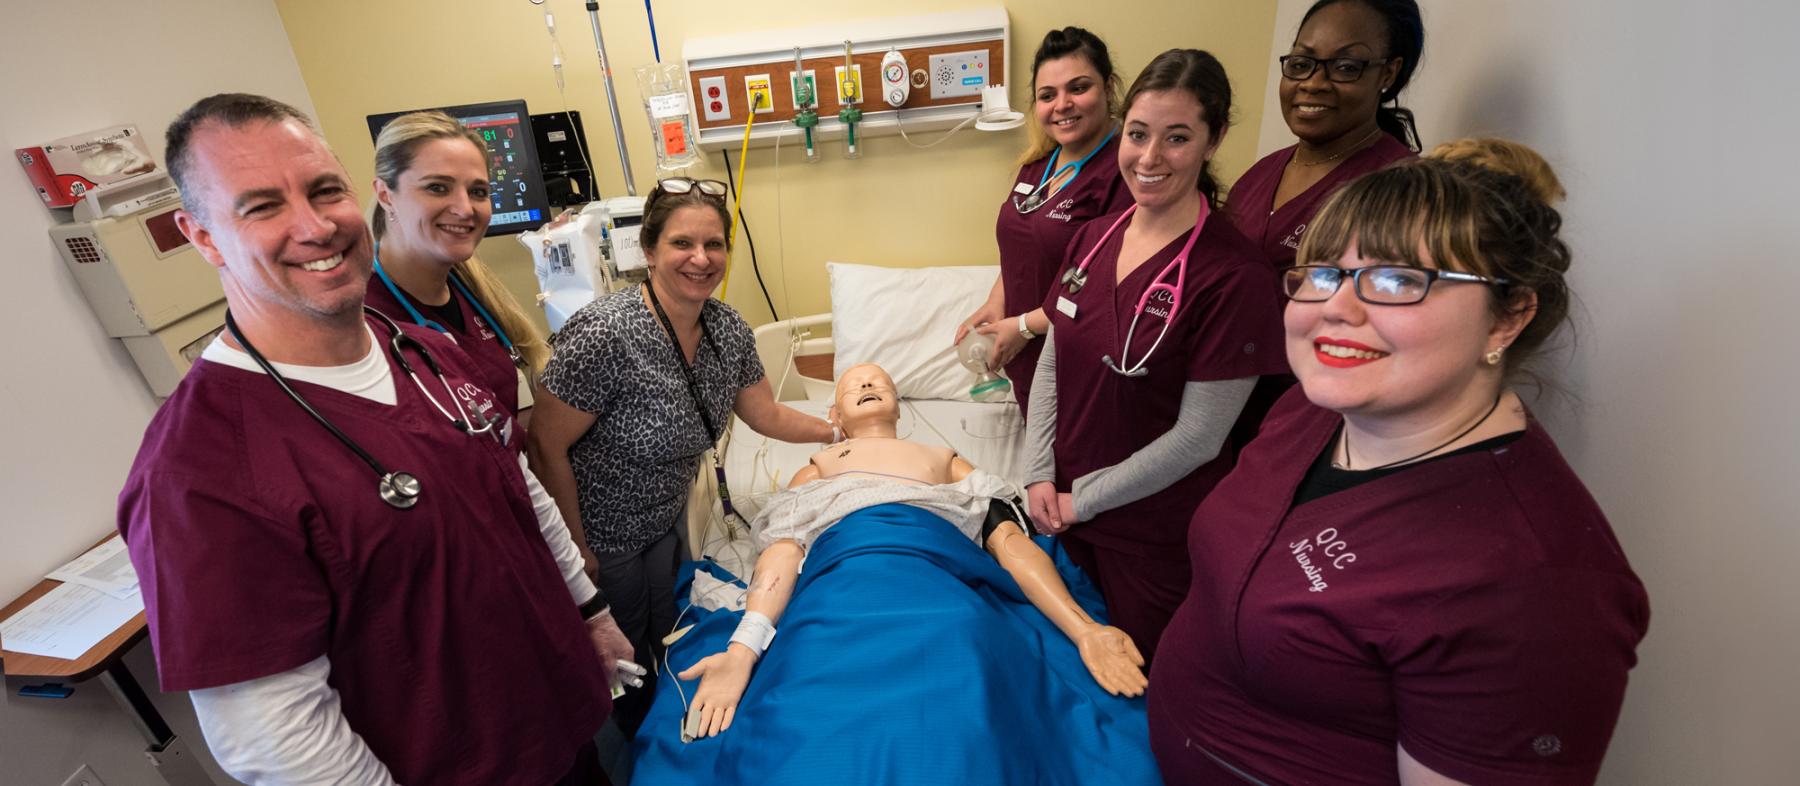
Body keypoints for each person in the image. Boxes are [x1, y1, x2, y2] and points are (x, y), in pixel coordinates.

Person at [116, 93, 636, 785]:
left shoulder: (420, 349)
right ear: (203, 236)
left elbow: (519, 488)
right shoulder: (198, 470)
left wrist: (592, 614)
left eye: (323, 190)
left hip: (559, 727)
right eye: (262, 206)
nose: (313, 226)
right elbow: (271, 733)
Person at [1148, 143, 1649, 785]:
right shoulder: (1315, 409)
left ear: (1508, 318)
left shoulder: (1534, 584)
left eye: (1397, 280)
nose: (1337, 307)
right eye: (1324, 273)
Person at [630, 364, 1159, 786]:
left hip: (941, 590)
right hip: (840, 590)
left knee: (969, 690)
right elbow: (782, 556)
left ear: (899, 407)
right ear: (834, 412)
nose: (866, 382)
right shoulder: (818, 466)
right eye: (853, 382)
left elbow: (1010, 542)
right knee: (806, 710)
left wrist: (1085, 630)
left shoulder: (943, 457)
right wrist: (744, 650)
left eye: (879, 380)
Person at [528, 178, 832, 732]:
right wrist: (575, 549)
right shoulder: (605, 336)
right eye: (682, 244)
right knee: (626, 661)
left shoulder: (726, 329)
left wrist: (834, 430)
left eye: (714, 245)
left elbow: (765, 414)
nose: (701, 259)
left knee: (667, 633)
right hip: (601, 531)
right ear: (648, 251)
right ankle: (636, 750)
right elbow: (545, 446)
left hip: (663, 522)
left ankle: (667, 733)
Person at [1023, 49, 1289, 660]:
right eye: (1138, 134)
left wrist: (1078, 500)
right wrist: (1039, 469)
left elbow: (1199, 437)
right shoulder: (1093, 240)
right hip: (1063, 510)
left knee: (1145, 679)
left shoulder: (1233, 276)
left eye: (1177, 138)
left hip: (1150, 532)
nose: (1148, 158)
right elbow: (1054, 356)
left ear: (1213, 140)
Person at [954, 26, 1133, 415]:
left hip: (1080, 369)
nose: (1062, 104)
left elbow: (1109, 287)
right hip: (1027, 367)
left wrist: (1023, 327)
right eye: (1047, 95)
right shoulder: (1038, 166)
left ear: (1109, 87)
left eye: (1079, 88)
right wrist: (995, 303)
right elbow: (1023, 250)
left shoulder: (1124, 175)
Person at [363, 110, 549, 424]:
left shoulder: (472, 290)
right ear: (385, 194)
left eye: (478, 192)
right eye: (437, 187)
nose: (464, 209)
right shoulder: (364, 317)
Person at [1228, 0, 1424, 270]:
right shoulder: (1257, 177)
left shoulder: (1404, 190)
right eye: (1301, 63)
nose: (1313, 83)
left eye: (1345, 67)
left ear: (1388, 74)